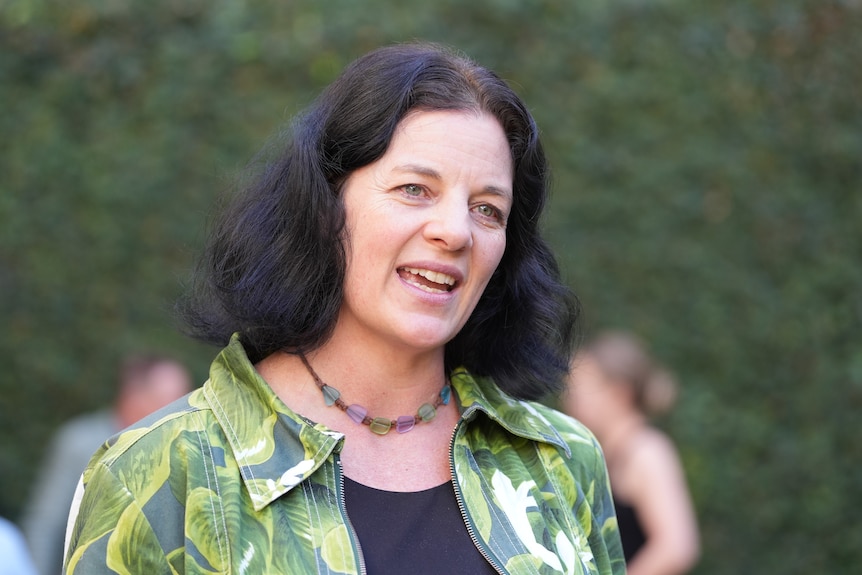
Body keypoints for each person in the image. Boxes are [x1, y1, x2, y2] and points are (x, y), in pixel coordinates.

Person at [63, 43, 625, 574]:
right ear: (325, 204)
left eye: (487, 209)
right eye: (414, 189)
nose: (455, 232)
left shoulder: (562, 460)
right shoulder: (161, 472)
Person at [22, 354, 192, 575]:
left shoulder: (181, 450)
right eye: (173, 400)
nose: (183, 410)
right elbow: (45, 525)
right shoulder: (80, 442)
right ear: (135, 396)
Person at [563, 331, 700, 575]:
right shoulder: (609, 453)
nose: (571, 400)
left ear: (619, 393)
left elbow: (677, 547)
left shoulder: (647, 452)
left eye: (582, 388)